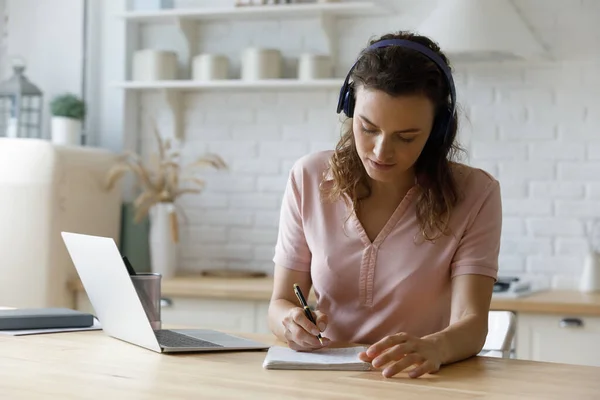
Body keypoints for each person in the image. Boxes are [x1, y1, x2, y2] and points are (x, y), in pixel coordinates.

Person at [267, 31, 502, 379]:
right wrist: (290, 321)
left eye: (406, 137)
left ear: (437, 130)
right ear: (349, 111)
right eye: (368, 128)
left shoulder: (475, 193)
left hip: (416, 381)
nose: (381, 152)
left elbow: (472, 323)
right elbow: (279, 303)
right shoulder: (308, 178)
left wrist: (435, 348)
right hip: (325, 380)